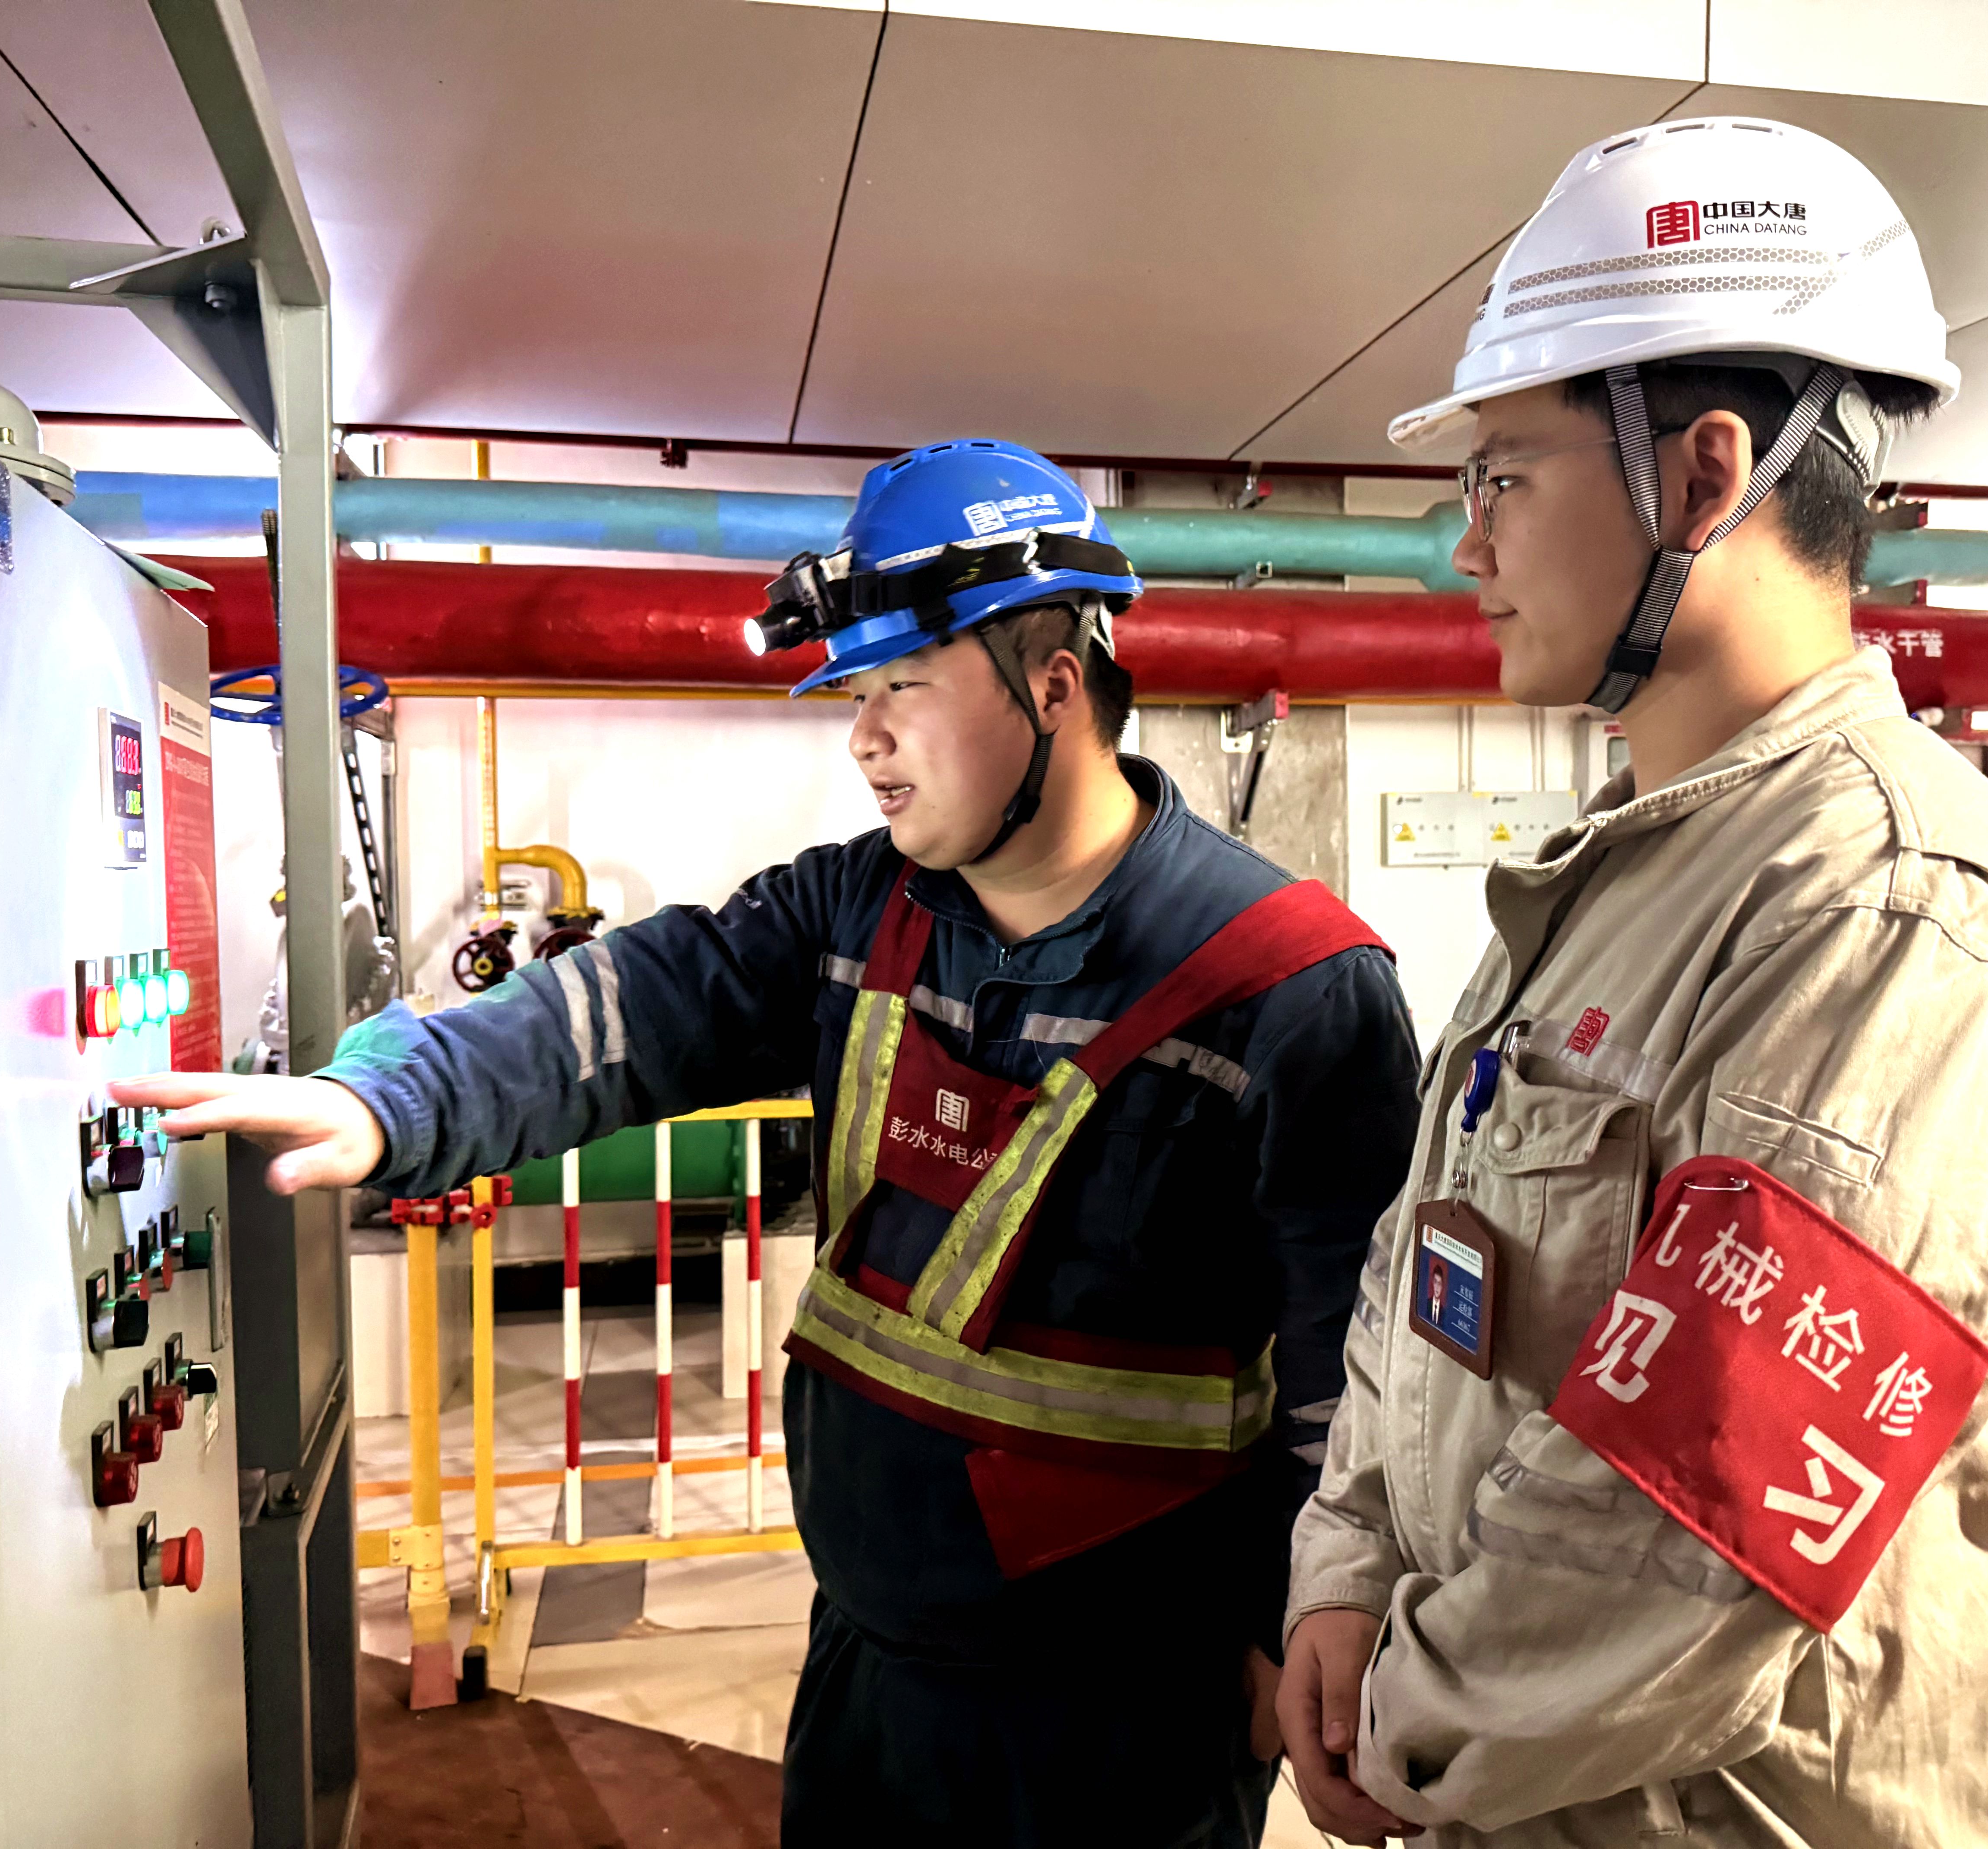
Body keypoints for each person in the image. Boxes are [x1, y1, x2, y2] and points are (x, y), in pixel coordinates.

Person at [119, 439, 1422, 1847]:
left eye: (902, 685)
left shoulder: (1286, 989)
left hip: (1126, 1712)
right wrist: (395, 1097)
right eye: (855, 695)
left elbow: (1355, 1369)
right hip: (865, 1664)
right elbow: (631, 1006)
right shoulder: (858, 913)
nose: (864, 738)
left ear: (1056, 685)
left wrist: (1297, 1616)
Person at [1276, 117, 1988, 1846]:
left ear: (1699, 479)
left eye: (1502, 477)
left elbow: (1693, 1525)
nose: (1467, 549)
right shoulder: (1611, 882)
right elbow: (1426, 1263)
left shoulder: (1890, 921)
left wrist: (1406, 1713)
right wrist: (1349, 1558)